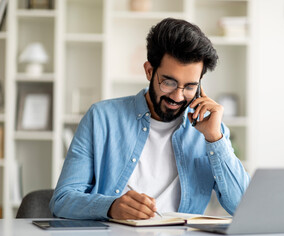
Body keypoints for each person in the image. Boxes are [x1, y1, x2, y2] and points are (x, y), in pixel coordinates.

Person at [50, 18, 250, 220]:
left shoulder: (212, 130)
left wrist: (215, 138)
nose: (178, 97)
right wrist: (110, 207)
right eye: (169, 83)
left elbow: (244, 208)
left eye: (190, 87)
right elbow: (63, 200)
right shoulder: (101, 118)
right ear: (149, 71)